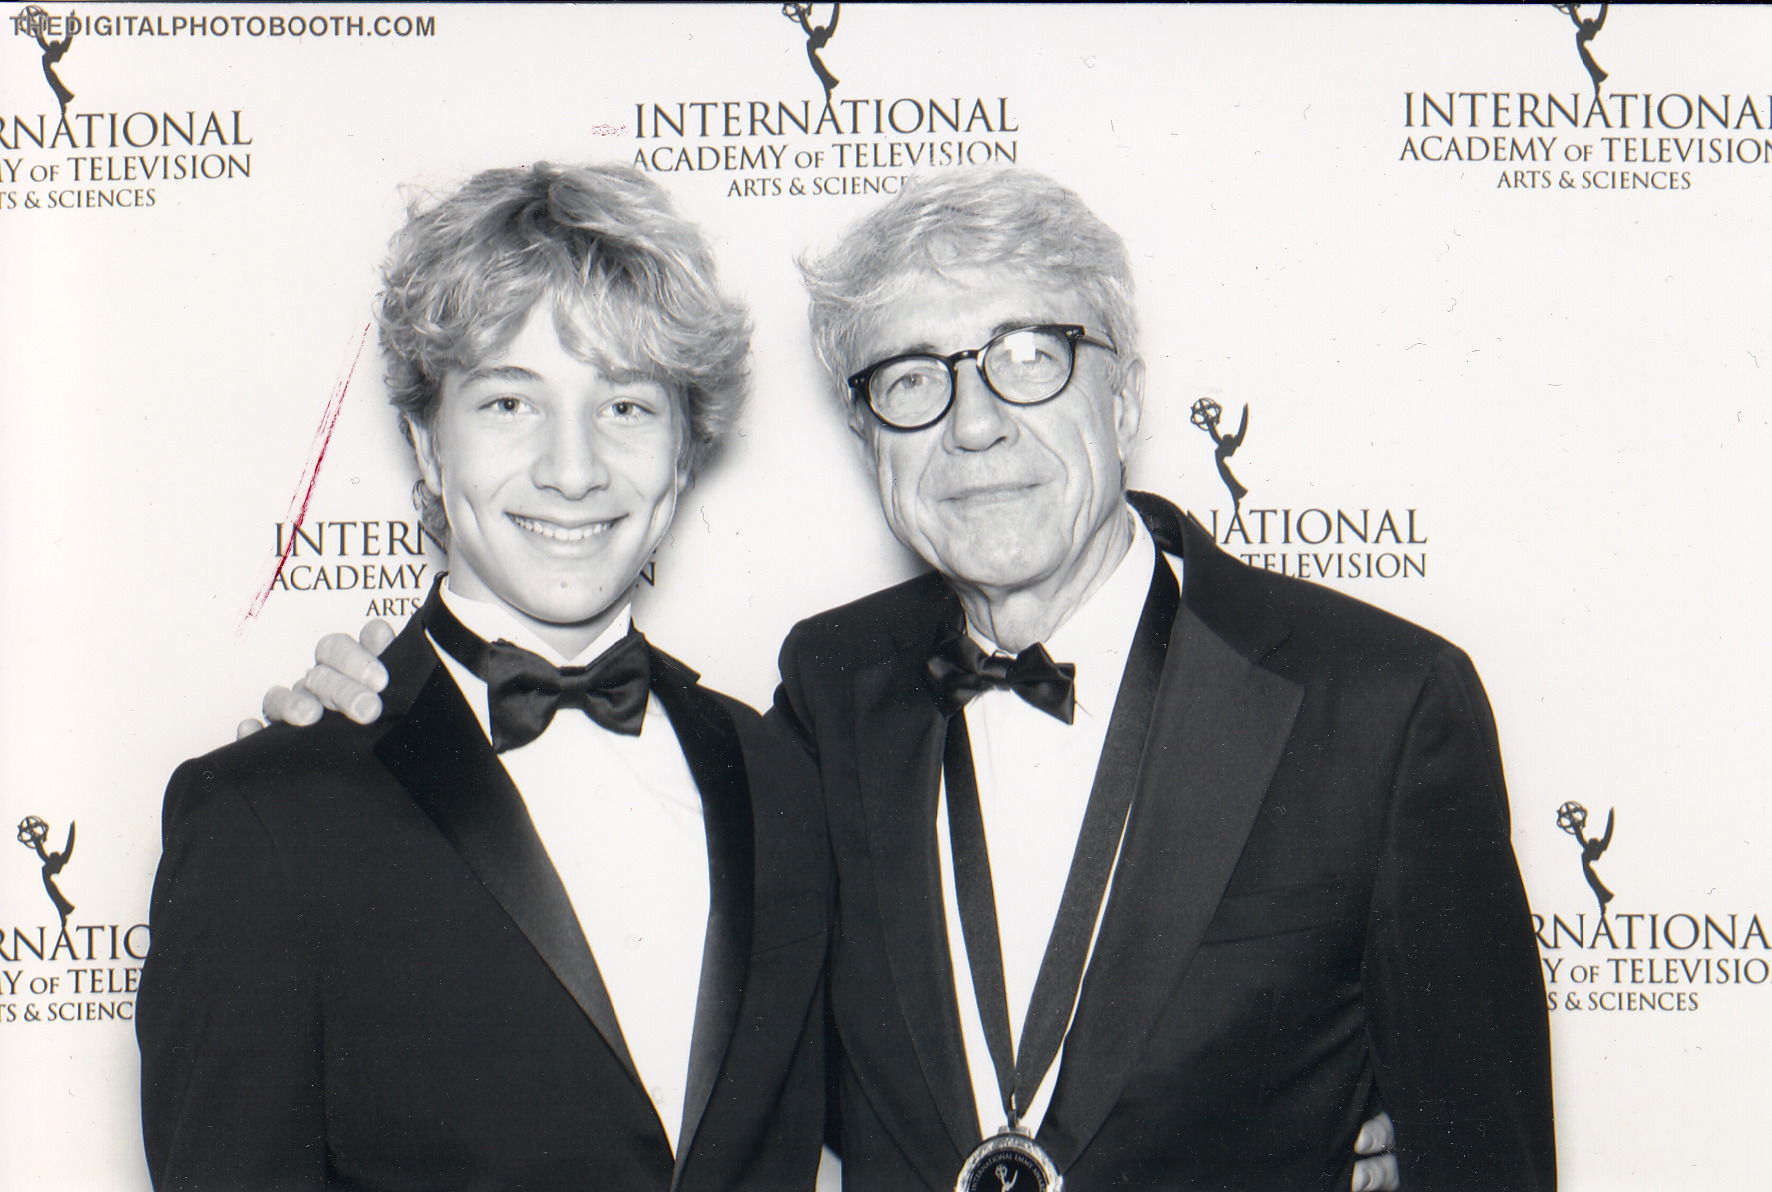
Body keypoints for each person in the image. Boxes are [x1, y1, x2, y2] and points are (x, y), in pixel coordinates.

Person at [256, 169, 1536, 1192]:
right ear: (870, 433)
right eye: (913, 380)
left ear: (1125, 391)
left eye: (1029, 356)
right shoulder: (826, 695)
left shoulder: (1379, 706)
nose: (975, 425)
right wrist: (389, 716)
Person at [136, 163, 829, 1191]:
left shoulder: (779, 774)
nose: (573, 467)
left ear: (685, 452)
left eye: (628, 407)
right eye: (509, 401)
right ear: (425, 440)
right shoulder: (264, 812)